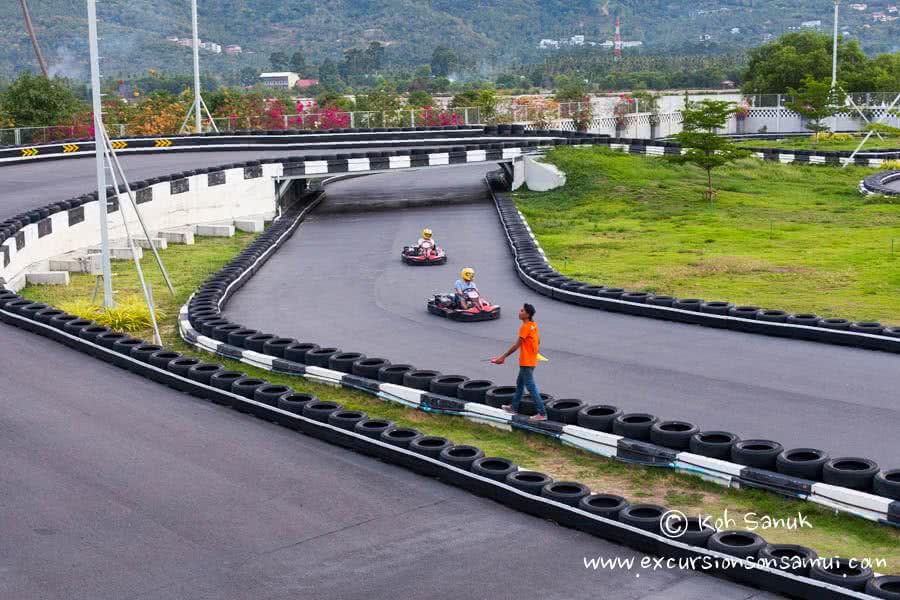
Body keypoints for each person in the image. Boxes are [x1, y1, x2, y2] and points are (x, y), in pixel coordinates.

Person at [490, 303, 547, 420]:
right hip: (531, 359)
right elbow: (538, 341)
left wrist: (503, 357)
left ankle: (542, 413)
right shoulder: (533, 325)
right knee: (520, 383)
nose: (519, 312)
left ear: (527, 314)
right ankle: (514, 408)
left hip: (527, 361)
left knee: (531, 387)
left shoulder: (525, 327)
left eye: (522, 311)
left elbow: (516, 345)